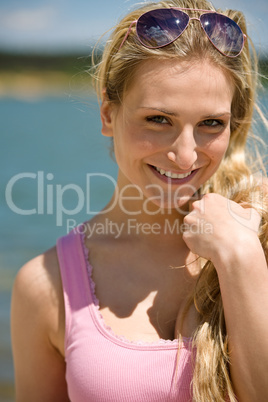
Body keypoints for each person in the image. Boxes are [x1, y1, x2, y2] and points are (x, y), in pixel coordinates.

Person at [11, 0, 268, 401]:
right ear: (109, 116)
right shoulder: (47, 286)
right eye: (159, 119)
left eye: (210, 124)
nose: (185, 155)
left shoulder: (259, 237)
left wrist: (241, 258)